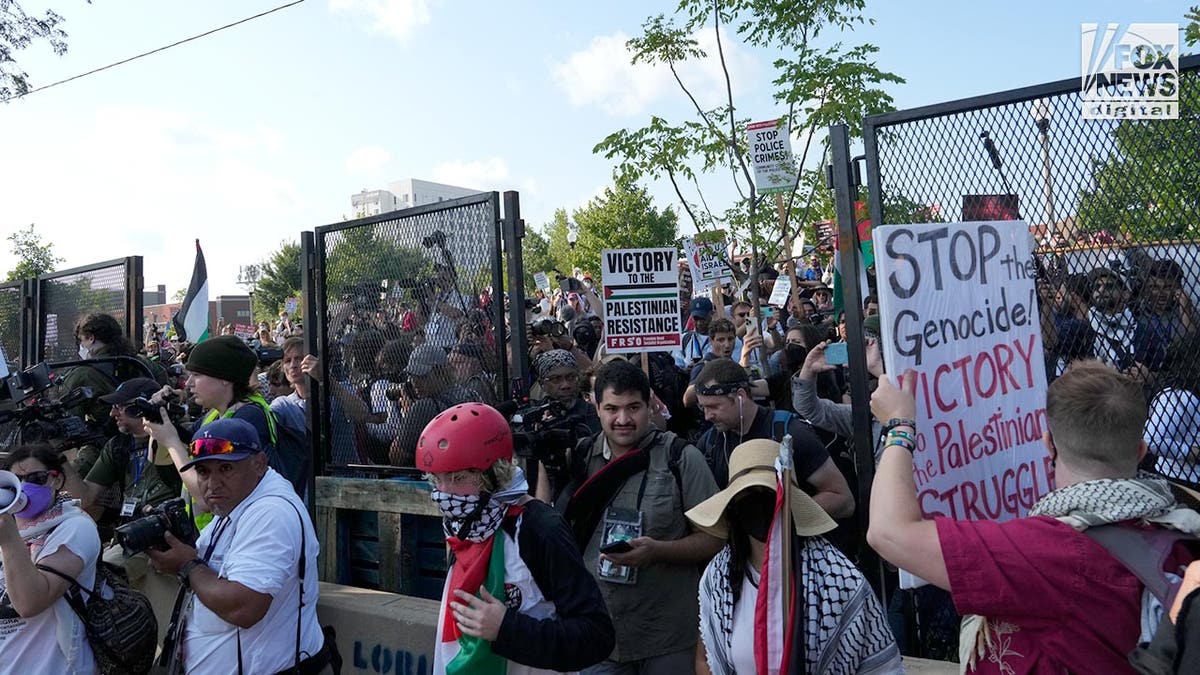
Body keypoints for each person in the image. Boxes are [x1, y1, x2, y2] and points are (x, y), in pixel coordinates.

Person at [868, 360, 1200, 673]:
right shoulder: (1181, 522)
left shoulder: (1051, 553)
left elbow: (888, 531)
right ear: (1141, 450)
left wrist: (899, 424)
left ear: (1048, 445)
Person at [416, 403, 615, 673]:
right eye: (436, 480)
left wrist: (507, 629)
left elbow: (596, 636)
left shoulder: (540, 528)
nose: (445, 493)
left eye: (458, 477)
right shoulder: (460, 525)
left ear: (493, 474)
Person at [557, 359, 723, 674]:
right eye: (612, 409)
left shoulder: (681, 458)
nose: (623, 419)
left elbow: (715, 538)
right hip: (599, 637)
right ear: (596, 408)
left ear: (650, 406)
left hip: (668, 638)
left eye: (633, 407)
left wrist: (658, 551)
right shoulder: (578, 459)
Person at [687, 439, 901, 674]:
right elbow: (705, 658)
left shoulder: (840, 580)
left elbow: (881, 668)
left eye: (768, 493)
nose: (759, 504)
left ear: (787, 501)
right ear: (734, 506)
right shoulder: (718, 578)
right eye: (749, 494)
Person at [147, 418, 332, 673]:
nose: (213, 484)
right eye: (203, 472)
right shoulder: (236, 503)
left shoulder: (272, 513)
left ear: (259, 464)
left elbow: (244, 607)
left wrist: (187, 565)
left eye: (226, 468)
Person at [62, 377, 183, 643]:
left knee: (161, 634)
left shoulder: (177, 437)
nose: (112, 413)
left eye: (120, 407)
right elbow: (84, 498)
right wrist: (59, 457)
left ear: (141, 408)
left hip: (165, 541)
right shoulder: (117, 446)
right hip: (129, 537)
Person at [692, 358, 854, 519]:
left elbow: (843, 500)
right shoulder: (709, 443)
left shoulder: (791, 434)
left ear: (740, 396)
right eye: (702, 407)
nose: (707, 416)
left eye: (713, 406)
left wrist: (781, 518)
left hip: (788, 541)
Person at [0, 444, 100, 674]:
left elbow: (30, 602)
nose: (25, 486)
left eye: (36, 478)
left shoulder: (76, 527)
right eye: (15, 479)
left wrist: (8, 540)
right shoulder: (10, 530)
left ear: (56, 480)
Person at [388, 344, 481, 466]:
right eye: (411, 376)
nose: (414, 382)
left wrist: (407, 414)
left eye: (422, 376)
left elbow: (396, 457)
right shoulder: (470, 395)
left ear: (440, 372)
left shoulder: (424, 407)